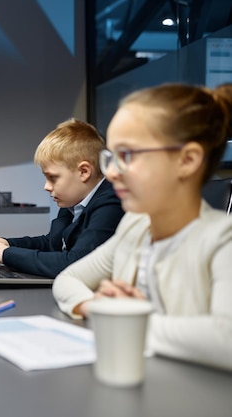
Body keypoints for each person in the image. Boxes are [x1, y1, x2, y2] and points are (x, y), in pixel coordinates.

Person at [52, 83, 232, 371]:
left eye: (128, 156)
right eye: (110, 157)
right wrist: (96, 306)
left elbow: (226, 339)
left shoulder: (223, 240)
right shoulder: (136, 229)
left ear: (187, 160)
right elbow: (68, 279)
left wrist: (129, 317)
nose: (110, 172)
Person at [0, 118, 124, 278]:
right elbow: (52, 243)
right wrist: (8, 244)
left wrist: (7, 254)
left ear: (84, 171)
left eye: (53, 178)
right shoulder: (73, 202)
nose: (47, 186)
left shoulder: (111, 202)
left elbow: (75, 264)